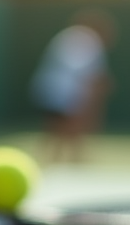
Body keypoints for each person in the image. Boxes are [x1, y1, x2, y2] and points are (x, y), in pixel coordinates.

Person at [30, 10, 115, 164]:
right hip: (66, 90)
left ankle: (61, 158)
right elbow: (84, 72)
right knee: (68, 124)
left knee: (57, 125)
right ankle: (70, 158)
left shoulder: (70, 35)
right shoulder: (86, 39)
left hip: (52, 87)